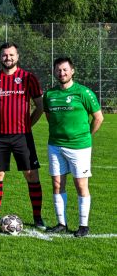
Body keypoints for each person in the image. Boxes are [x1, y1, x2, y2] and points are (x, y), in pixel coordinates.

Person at [0, 42, 46, 227]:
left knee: (31, 174)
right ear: (0, 57)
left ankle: (37, 217)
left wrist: (28, 125)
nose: (8, 58)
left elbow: (40, 106)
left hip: (22, 136)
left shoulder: (28, 78)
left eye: (11, 55)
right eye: (4, 55)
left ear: (17, 57)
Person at [43, 57, 104, 237]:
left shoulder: (84, 92)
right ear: (54, 72)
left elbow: (98, 118)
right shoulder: (50, 94)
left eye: (65, 70)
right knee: (57, 184)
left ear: (72, 71)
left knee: (80, 184)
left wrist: (85, 136)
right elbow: (50, 117)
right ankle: (61, 223)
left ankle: (83, 225)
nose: (62, 73)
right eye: (58, 70)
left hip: (79, 147)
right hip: (55, 145)